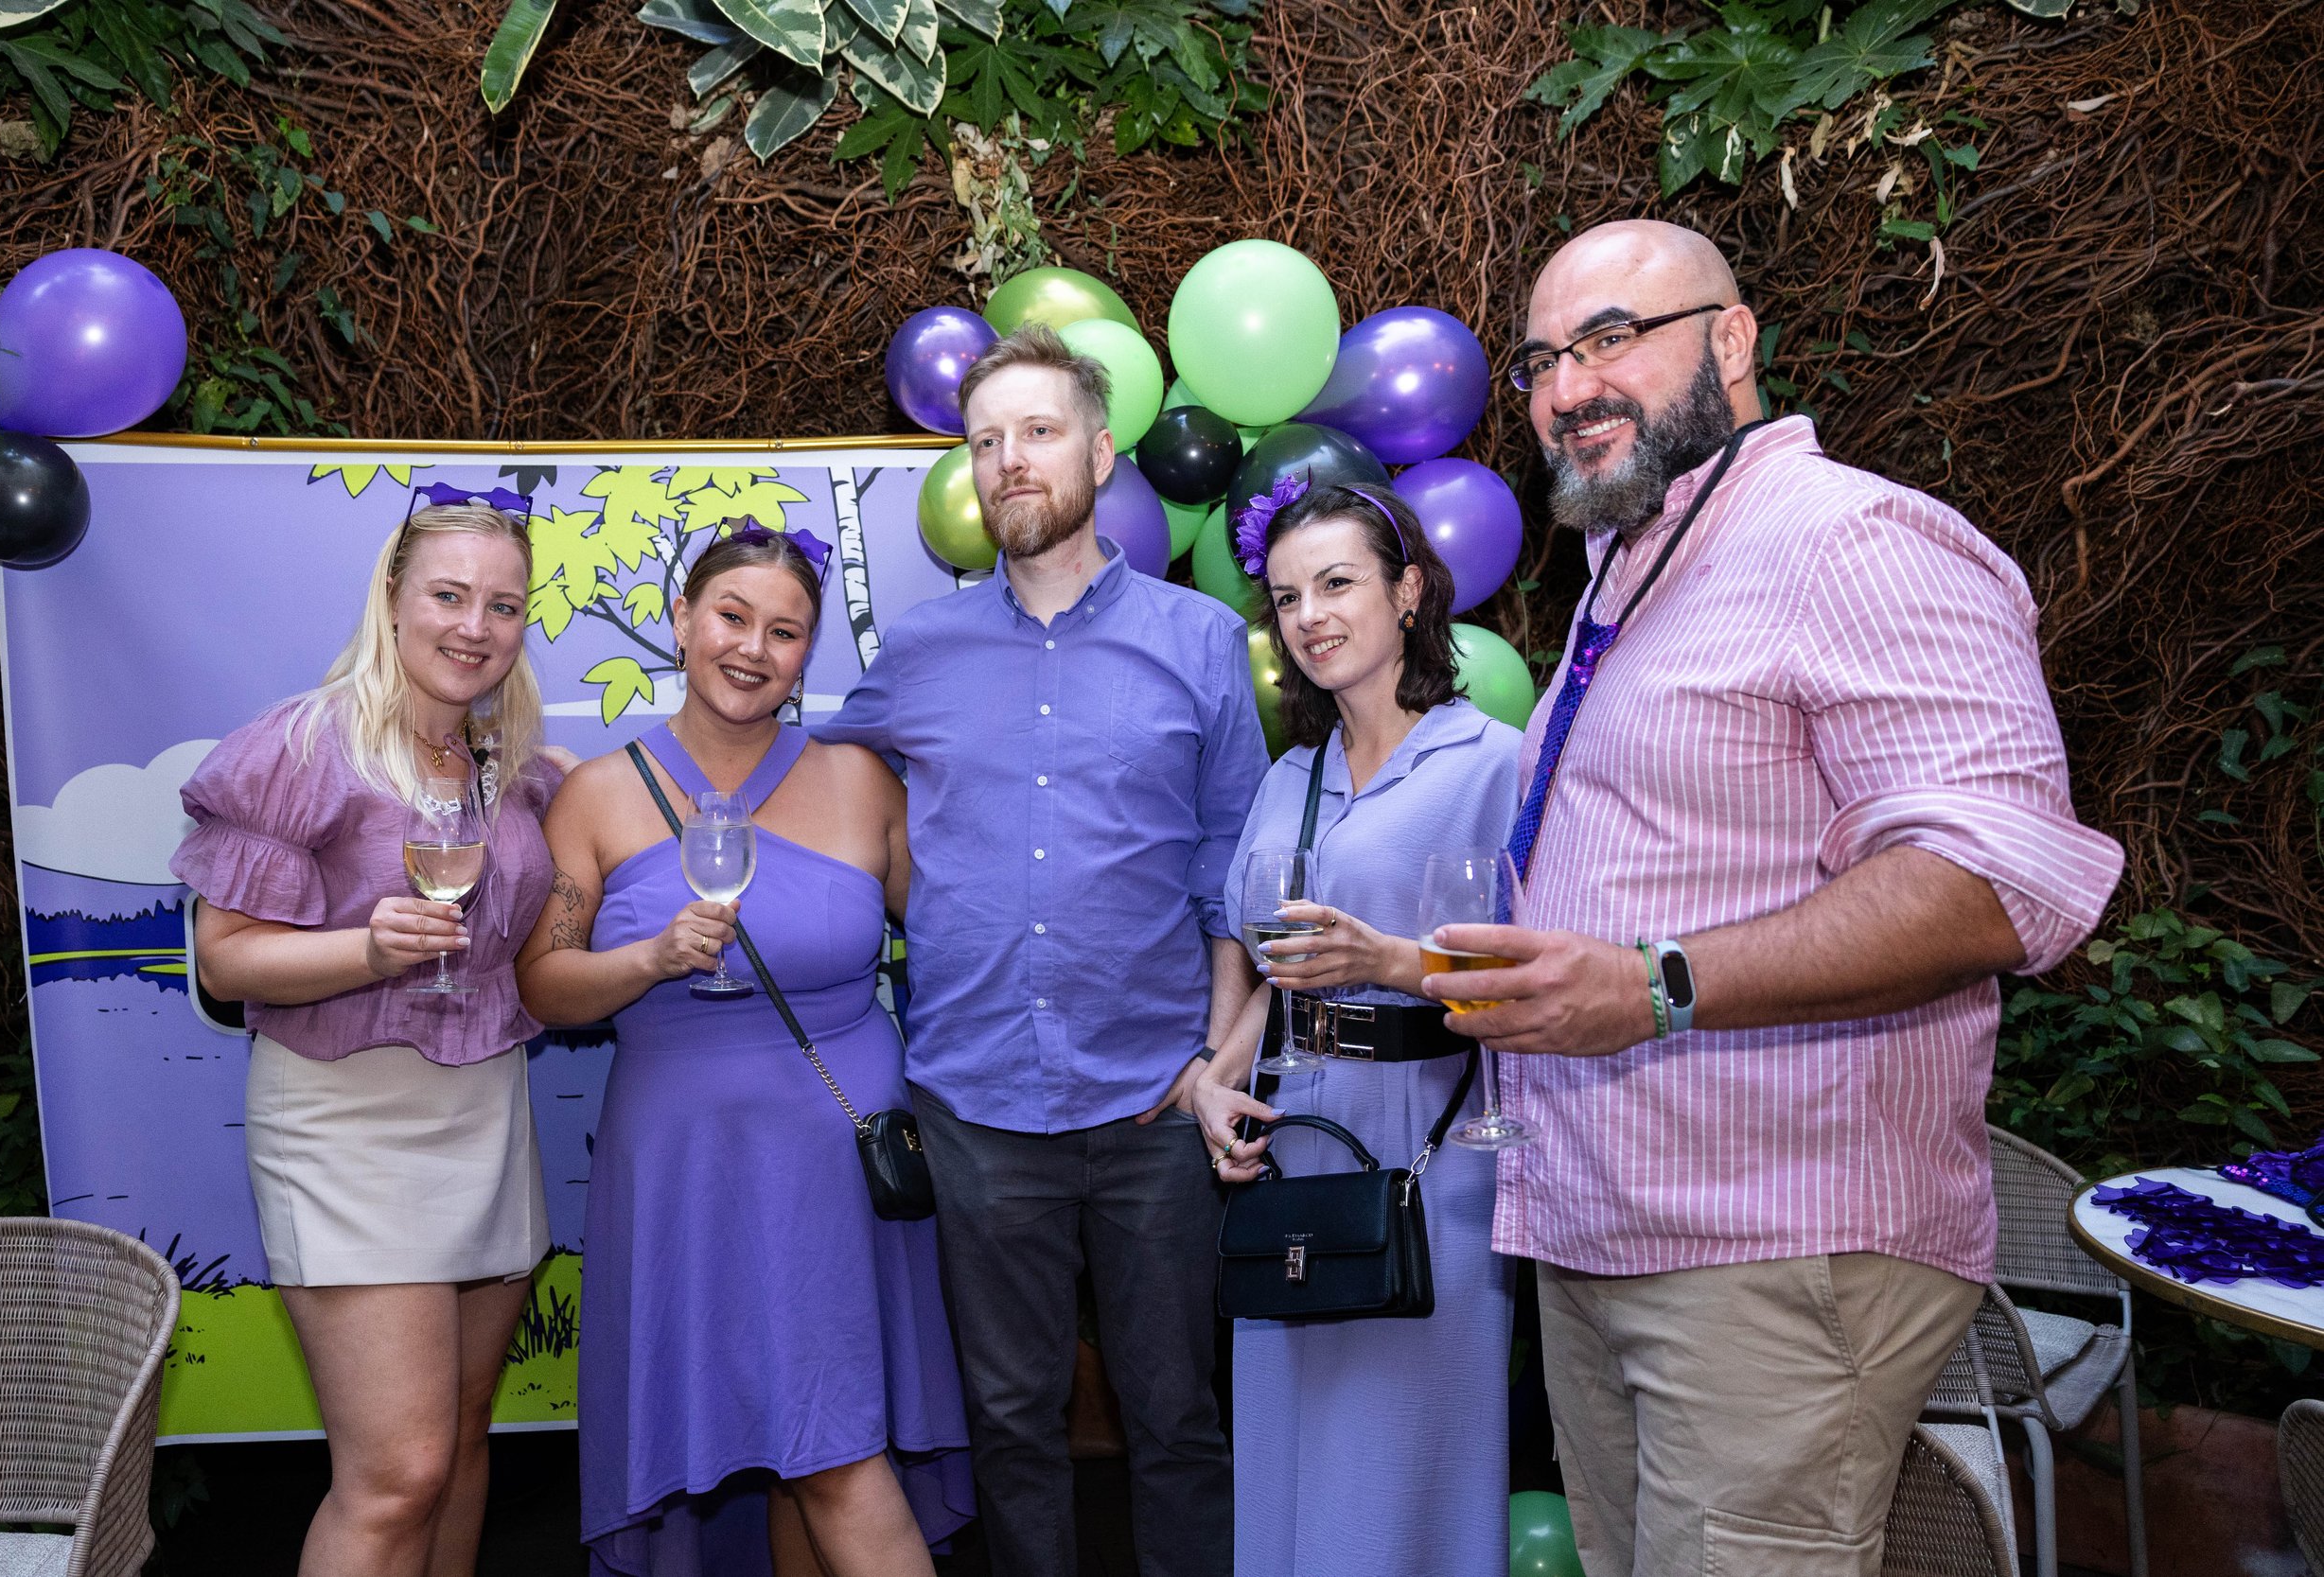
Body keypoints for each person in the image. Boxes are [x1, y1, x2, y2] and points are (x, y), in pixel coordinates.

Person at [1425, 219, 2126, 1575]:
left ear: (1732, 340)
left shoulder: (1853, 539)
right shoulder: (1632, 569)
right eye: (1541, 359)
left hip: (1771, 1247)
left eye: (1613, 337)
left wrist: (1655, 984)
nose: (1567, 387)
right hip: (1606, 1229)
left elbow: (1991, 881)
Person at [816, 324, 1266, 1577]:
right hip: (973, 1101)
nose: (1013, 459)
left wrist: (1219, 1056)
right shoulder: (915, 655)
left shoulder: (1199, 642)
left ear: (1100, 447)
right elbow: (814, 785)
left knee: (1175, 1420)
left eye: (1039, 430)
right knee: (1010, 1425)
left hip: (1154, 1105)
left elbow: (1232, 858)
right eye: (988, 439)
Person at [514, 524, 972, 1577]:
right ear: (683, 620)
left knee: (826, 1442)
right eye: (731, 617)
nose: (753, 647)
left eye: (785, 630)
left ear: (808, 653)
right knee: (793, 1445)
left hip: (839, 1158)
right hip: (684, 1164)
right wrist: (648, 959)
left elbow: (957, 931)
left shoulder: (861, 781)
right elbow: (543, 982)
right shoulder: (598, 792)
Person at [175, 487, 561, 1577]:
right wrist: (367, 949)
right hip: (345, 1126)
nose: (473, 625)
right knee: (395, 1474)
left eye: (502, 604)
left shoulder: (512, 766)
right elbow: (225, 957)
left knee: (460, 1441)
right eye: (447, 593)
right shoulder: (299, 745)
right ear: (392, 598)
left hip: (484, 1114)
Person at [1189, 480, 1523, 1576]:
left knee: (1401, 1467)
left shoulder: (1491, 763)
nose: (1310, 615)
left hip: (1431, 1150)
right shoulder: (1289, 777)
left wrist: (1389, 960)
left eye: (1337, 583)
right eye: (1286, 597)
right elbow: (1266, 967)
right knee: (1288, 1461)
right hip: (1296, 1152)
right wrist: (1214, 1077)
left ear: (1409, 590)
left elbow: (1538, 971)